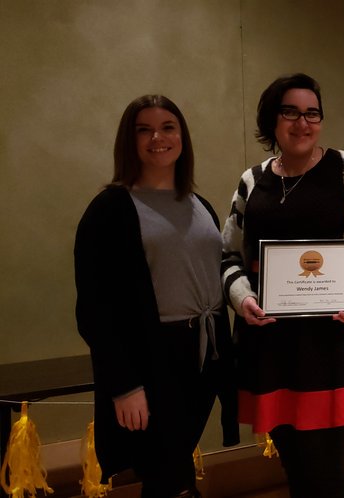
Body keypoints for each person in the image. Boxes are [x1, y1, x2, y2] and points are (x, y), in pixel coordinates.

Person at [220, 73, 344, 498]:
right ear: (273, 119)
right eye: (291, 112)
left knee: (329, 475)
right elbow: (228, 255)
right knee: (297, 472)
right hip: (269, 348)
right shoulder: (252, 182)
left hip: (331, 347)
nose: (302, 123)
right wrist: (242, 297)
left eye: (312, 114)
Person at [75, 95, 238, 498]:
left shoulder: (200, 205)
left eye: (168, 127)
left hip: (203, 354)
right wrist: (124, 386)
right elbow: (95, 309)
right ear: (128, 141)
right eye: (143, 129)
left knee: (175, 465)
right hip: (152, 359)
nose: (157, 137)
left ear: (182, 137)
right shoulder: (110, 208)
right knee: (165, 472)